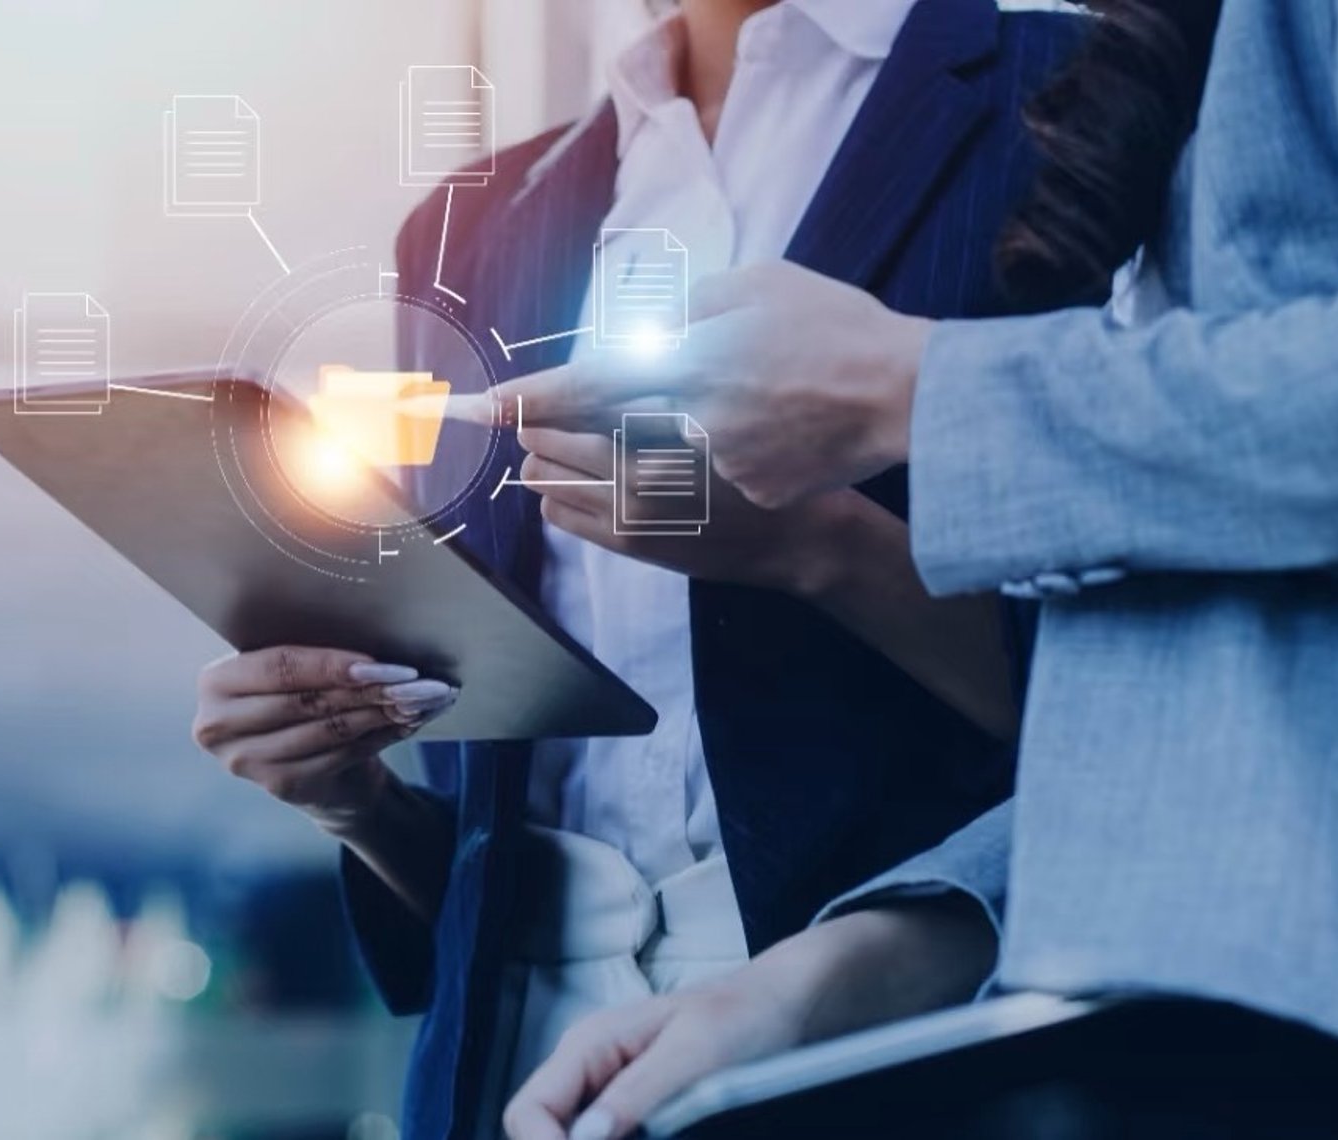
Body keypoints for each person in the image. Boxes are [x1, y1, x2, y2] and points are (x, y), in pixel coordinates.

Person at [192, 1, 1093, 1136]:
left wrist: (813, 545)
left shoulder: (1081, 100)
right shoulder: (469, 227)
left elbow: (1180, 709)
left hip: (894, 1054)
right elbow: (489, 857)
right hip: (517, 1076)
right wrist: (355, 802)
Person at [497, 0, 1338, 1134]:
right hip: (1097, 996)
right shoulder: (499, 209)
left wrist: (909, 398)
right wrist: (838, 973)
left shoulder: (1063, 90)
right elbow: (1194, 692)